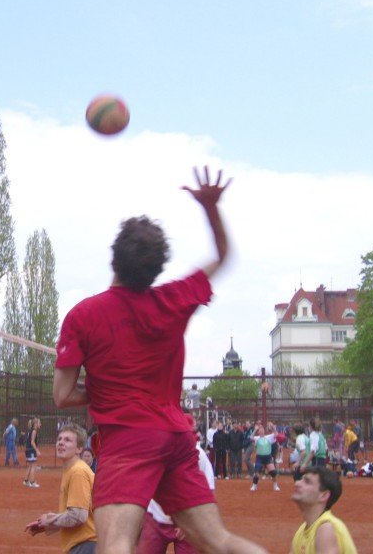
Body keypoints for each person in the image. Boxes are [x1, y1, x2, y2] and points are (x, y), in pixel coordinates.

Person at [53, 167, 266, 554]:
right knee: (218, 541)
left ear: (114, 258)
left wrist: (101, 389)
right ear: (155, 269)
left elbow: (62, 395)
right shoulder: (173, 300)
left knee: (116, 544)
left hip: (126, 439)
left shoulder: (83, 316)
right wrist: (211, 207)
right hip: (176, 438)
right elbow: (223, 256)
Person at [136, 413, 215, 554]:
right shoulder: (154, 451)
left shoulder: (199, 455)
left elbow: (208, 490)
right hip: (155, 518)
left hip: (188, 520)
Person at [25, 424, 97, 553]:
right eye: (59, 439)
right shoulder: (72, 470)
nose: (61, 443)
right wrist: (47, 524)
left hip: (85, 545)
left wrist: (49, 520)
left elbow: (78, 516)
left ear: (79, 448)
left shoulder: (78, 472)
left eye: (67, 440)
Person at [290, 466, 358, 554]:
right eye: (301, 479)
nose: (297, 483)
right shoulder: (302, 530)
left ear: (324, 495)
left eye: (307, 481)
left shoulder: (326, 528)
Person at [250, 422, 280, 492]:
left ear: (264, 431)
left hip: (268, 457)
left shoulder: (269, 437)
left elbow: (276, 434)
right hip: (259, 458)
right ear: (258, 432)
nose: (261, 431)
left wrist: (273, 428)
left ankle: (275, 485)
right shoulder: (257, 438)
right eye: (260, 430)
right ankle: (254, 485)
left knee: (273, 472)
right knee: (257, 473)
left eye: (262, 429)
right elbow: (251, 437)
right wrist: (255, 430)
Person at [24, 417, 42, 488]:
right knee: (33, 466)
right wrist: (37, 450)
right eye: (39, 423)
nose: (40, 424)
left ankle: (26, 481)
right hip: (31, 450)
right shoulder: (34, 431)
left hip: (28, 449)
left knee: (30, 466)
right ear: (35, 424)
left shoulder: (31, 430)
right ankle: (32, 482)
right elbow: (32, 442)